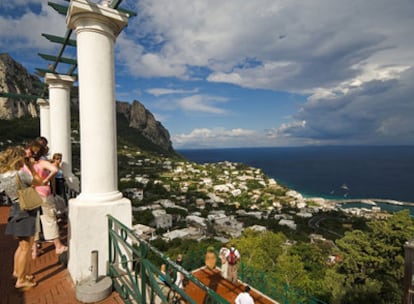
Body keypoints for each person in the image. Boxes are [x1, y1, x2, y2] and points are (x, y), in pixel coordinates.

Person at [0, 146, 42, 290]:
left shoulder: (4, 175)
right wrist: (31, 167)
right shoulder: (20, 174)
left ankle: (19, 272)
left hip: (15, 208)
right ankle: (21, 280)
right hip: (26, 210)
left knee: (21, 246)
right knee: (26, 247)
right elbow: (39, 182)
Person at [27, 141, 67, 255]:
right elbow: (54, 170)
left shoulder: (27, 164)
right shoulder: (42, 163)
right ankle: (58, 245)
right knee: (49, 219)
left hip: (31, 193)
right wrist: (45, 180)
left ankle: (34, 250)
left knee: (33, 221)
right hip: (43, 193)